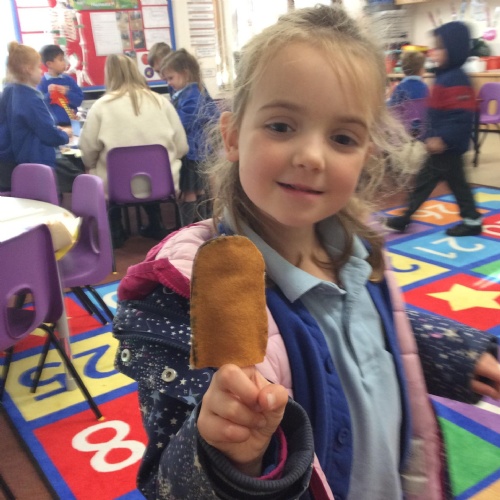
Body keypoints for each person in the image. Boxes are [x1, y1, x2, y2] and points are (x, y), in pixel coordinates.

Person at [113, 6, 500, 500]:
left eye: (342, 138)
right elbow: (165, 485)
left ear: (366, 155)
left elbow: (370, 338)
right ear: (232, 135)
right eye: (281, 126)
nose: (312, 156)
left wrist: (456, 354)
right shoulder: (179, 301)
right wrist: (225, 455)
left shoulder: (359, 254)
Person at [79, 54, 188, 248]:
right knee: (152, 166)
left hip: (116, 187)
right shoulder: (161, 102)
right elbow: (181, 147)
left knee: (94, 169)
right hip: (162, 183)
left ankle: (115, 228)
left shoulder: (100, 106)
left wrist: (91, 165)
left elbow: (87, 151)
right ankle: (156, 222)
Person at [386, 22, 482, 237]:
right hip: (440, 146)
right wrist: (429, 135)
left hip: (447, 147)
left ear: (454, 50)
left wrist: (443, 139)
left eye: (440, 48)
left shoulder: (456, 79)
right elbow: (436, 112)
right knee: (437, 183)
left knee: (447, 184)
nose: (434, 52)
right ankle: (407, 217)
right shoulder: (444, 76)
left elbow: (460, 117)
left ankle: (470, 220)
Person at [0, 41, 79, 194]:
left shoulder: (9, 91)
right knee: (79, 180)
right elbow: (49, 135)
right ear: (28, 69)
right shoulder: (30, 98)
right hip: (36, 161)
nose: (41, 72)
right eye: (38, 67)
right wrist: (65, 134)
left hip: (12, 162)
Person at [160, 48, 220, 226]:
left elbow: (183, 122)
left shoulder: (190, 95)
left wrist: (167, 120)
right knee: (199, 191)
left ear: (185, 74)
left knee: (189, 193)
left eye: (171, 78)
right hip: (198, 151)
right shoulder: (193, 91)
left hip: (192, 153)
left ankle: (188, 226)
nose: (169, 83)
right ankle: (202, 223)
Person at [37, 44, 84, 126]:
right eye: (61, 60)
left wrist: (67, 93)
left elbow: (79, 101)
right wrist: (49, 94)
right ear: (49, 64)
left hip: (73, 123)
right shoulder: (41, 82)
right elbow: (39, 105)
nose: (64, 63)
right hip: (53, 126)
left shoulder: (68, 79)